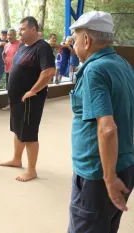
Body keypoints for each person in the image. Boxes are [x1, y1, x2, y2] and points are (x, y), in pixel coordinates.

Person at [68, 11, 134, 233]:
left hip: (97, 174)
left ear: (86, 40)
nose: (73, 44)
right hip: (124, 165)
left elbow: (107, 129)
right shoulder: (122, 64)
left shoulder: (95, 70)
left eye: (75, 39)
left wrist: (109, 177)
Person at [0, 17, 55, 182]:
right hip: (17, 99)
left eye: (23, 29)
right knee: (18, 129)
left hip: (31, 100)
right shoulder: (23, 46)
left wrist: (33, 90)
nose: (20, 31)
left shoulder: (42, 47)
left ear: (33, 30)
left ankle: (31, 170)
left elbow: (49, 72)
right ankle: (17, 159)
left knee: (29, 134)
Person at [1, 29, 21, 111]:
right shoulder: (6, 45)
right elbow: (4, 55)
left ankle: (18, 104)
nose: (9, 37)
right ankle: (10, 104)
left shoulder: (20, 44)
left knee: (17, 87)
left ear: (15, 35)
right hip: (8, 70)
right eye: (8, 35)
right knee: (9, 88)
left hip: (17, 70)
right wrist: (3, 59)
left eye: (11, 35)